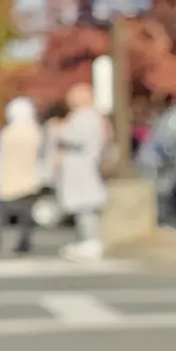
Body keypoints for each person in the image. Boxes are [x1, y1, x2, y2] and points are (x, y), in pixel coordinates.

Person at [53, 83, 110, 260]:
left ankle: (91, 242)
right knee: (81, 208)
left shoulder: (86, 116)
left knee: (85, 207)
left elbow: (74, 137)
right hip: (79, 168)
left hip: (82, 168)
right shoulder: (87, 116)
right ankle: (85, 241)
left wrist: (59, 129)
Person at [0, 97, 45, 256]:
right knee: (25, 215)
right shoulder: (35, 131)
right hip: (29, 178)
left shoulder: (8, 133)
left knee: (1, 215)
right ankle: (24, 243)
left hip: (7, 179)